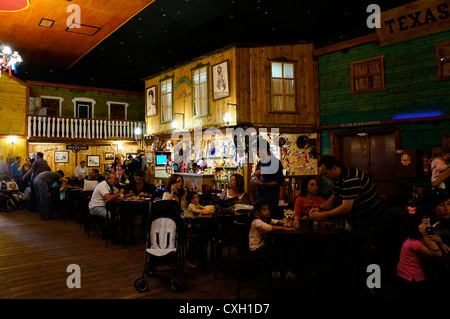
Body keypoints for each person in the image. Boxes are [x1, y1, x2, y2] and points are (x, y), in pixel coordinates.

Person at [396, 210, 444, 297]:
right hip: (411, 277)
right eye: (425, 224)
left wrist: (440, 241)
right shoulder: (413, 242)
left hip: (413, 273)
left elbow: (438, 250)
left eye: (429, 223)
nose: (429, 226)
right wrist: (426, 236)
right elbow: (438, 254)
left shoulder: (420, 238)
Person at [249, 199, 294, 279]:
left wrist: (282, 222)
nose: (267, 211)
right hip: (256, 248)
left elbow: (273, 221)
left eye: (268, 209)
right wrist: (284, 228)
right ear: (257, 213)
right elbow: (268, 227)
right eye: (264, 210)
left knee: (281, 247)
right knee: (278, 250)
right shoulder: (256, 221)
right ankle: (277, 271)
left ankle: (282, 270)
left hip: (263, 245)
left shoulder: (265, 218)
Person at [250, 137, 284, 218]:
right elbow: (255, 176)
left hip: (270, 200)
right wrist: (254, 177)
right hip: (259, 198)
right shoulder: (260, 163)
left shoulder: (275, 162)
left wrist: (262, 184)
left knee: (269, 222)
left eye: (257, 150)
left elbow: (278, 182)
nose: (257, 153)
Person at [183, 191, 206, 268]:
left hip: (195, 219)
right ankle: (192, 256)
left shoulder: (196, 204)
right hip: (188, 219)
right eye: (196, 197)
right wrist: (203, 211)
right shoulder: (191, 205)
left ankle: (198, 254)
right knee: (196, 226)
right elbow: (196, 211)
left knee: (202, 228)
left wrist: (206, 208)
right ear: (192, 200)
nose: (198, 198)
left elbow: (201, 207)